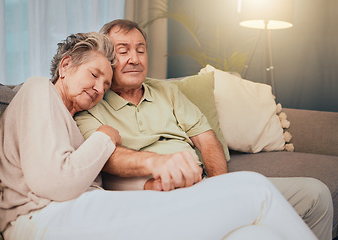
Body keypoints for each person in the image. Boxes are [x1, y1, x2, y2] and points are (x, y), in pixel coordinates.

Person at [0, 32, 316, 240]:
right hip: (41, 221)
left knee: (252, 236)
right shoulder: (39, 89)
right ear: (65, 65)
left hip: (84, 213)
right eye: (94, 75)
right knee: (255, 188)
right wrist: (106, 137)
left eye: (106, 85)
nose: (98, 89)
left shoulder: (73, 118)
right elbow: (57, 183)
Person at [74, 19, 333, 240]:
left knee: (316, 194)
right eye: (123, 51)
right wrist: (160, 167)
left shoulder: (167, 91)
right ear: (107, 59)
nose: (134, 59)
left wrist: (222, 188)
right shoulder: (92, 102)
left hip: (204, 186)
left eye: (140, 50)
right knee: (256, 220)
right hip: (156, 196)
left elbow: (207, 140)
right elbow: (107, 157)